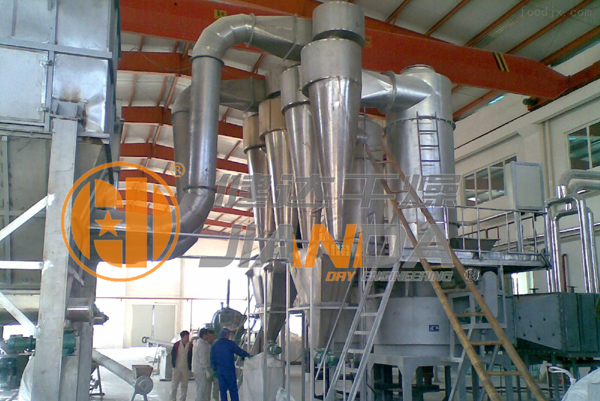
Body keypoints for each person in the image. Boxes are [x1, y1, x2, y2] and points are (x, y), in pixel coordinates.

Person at [210, 328, 251, 401]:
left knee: (223, 391)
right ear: (227, 335)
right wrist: (248, 355)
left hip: (220, 371)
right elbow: (239, 351)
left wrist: (215, 369)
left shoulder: (215, 345)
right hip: (229, 371)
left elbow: (212, 359)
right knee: (233, 390)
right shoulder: (230, 344)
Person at [192, 328, 216, 401]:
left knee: (205, 391)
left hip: (200, 370)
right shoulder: (201, 345)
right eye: (207, 335)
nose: (209, 337)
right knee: (201, 391)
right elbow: (203, 359)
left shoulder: (201, 343)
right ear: (204, 335)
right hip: (201, 371)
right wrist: (206, 369)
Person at [170, 330, 193, 401]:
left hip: (185, 368)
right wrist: (173, 364)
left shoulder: (191, 346)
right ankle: (172, 399)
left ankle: (182, 399)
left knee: (184, 385)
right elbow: (173, 355)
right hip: (177, 367)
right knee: (174, 384)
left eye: (188, 337)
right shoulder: (176, 345)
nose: (187, 339)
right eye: (185, 337)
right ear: (182, 338)